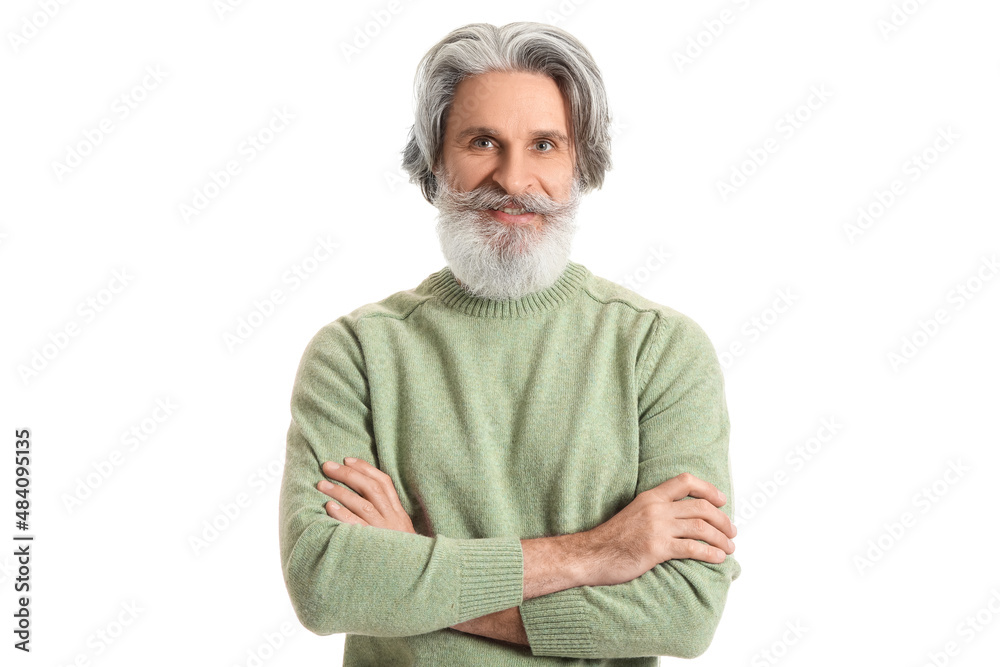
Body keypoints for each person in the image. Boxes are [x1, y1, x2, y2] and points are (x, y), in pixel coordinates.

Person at [278, 21, 740, 665]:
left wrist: (414, 574)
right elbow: (328, 585)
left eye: (545, 144)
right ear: (436, 160)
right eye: (482, 141)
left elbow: (683, 613)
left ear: (581, 163)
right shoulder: (354, 355)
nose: (514, 178)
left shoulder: (659, 351)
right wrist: (601, 553)